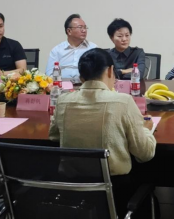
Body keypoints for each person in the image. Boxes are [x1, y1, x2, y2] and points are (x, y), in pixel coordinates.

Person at [49, 48, 156, 176]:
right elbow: (145, 153)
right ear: (110, 70)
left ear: (81, 77)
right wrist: (146, 129)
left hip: (72, 183)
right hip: (114, 184)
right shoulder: (124, 101)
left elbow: (54, 136)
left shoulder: (62, 101)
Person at [45, 14, 97, 82]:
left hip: (85, 86)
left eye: (85, 27)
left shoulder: (93, 48)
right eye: (80, 27)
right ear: (69, 31)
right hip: (62, 86)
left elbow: (99, 73)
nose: (84, 30)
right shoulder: (57, 50)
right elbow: (49, 74)